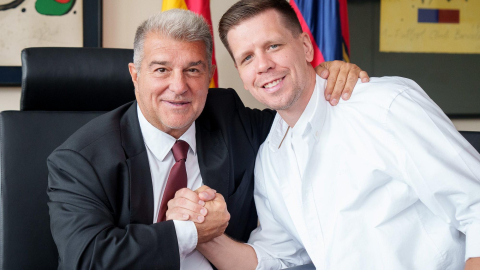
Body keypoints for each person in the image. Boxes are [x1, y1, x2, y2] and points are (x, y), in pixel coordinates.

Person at [167, 1, 480, 270]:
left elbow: (476, 206)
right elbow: (278, 258)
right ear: (243, 78)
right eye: (247, 58)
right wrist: (201, 229)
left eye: (273, 45)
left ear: (305, 46)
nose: (263, 65)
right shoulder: (271, 157)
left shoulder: (385, 106)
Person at [46, 9, 368, 270]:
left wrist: (327, 76)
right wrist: (191, 232)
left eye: (193, 70)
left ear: (210, 73)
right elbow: (86, 259)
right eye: (161, 70)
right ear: (135, 75)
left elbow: (299, 114)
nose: (178, 86)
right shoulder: (80, 159)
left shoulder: (228, 114)